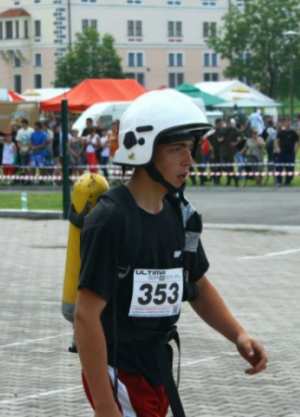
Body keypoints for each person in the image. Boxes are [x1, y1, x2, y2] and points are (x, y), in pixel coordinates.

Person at [75, 90, 267, 417]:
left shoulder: (182, 215)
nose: (188, 161)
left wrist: (238, 334)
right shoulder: (110, 221)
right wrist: (106, 404)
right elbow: (85, 315)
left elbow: (197, 284)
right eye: (176, 149)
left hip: (158, 369)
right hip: (119, 374)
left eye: (189, 149)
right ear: (144, 151)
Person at [274, 118, 300, 186]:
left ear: (290, 124)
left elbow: (299, 141)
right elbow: (276, 142)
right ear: (284, 124)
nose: (287, 125)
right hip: (281, 153)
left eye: (289, 123)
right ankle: (279, 181)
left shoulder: (293, 133)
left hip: (290, 153)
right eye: (286, 123)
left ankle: (288, 181)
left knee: (290, 168)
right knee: (279, 167)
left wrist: (296, 149)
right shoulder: (281, 132)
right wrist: (277, 148)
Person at [207, 118, 225, 185]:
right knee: (213, 165)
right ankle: (214, 178)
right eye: (220, 123)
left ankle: (219, 178)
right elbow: (207, 138)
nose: (222, 125)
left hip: (220, 150)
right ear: (217, 124)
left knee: (220, 165)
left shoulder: (222, 130)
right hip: (213, 150)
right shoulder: (212, 130)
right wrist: (210, 145)